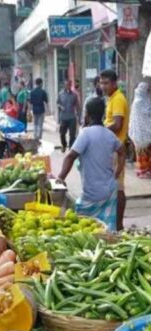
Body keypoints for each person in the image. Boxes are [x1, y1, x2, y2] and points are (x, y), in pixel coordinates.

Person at [56, 97, 125, 231]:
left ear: (87, 114)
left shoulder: (85, 134)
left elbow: (70, 156)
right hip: (109, 190)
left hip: (92, 194)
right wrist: (118, 171)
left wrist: (61, 177)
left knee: (83, 226)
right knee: (106, 229)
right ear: (104, 115)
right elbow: (122, 151)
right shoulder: (109, 134)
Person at [101, 69, 130, 231]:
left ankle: (119, 225)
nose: (103, 86)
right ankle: (115, 223)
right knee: (114, 187)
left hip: (117, 150)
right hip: (112, 148)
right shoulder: (112, 98)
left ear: (114, 83)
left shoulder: (118, 99)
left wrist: (100, 129)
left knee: (118, 187)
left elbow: (117, 125)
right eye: (101, 82)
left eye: (106, 83)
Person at [57, 83, 79, 151]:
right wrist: (61, 107)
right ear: (64, 85)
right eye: (66, 85)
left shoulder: (74, 95)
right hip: (63, 117)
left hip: (72, 117)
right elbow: (58, 103)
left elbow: (77, 105)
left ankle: (71, 147)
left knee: (72, 134)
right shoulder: (60, 94)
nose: (68, 86)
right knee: (62, 133)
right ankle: (64, 145)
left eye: (69, 85)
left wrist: (77, 114)